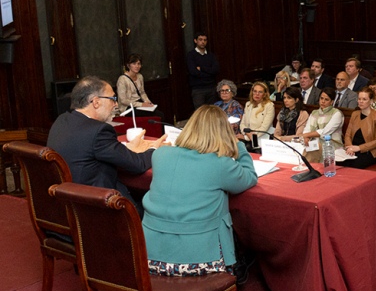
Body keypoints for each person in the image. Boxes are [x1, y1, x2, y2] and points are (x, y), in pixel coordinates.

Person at [143, 105, 257, 277]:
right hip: (198, 259)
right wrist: (238, 146)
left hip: (148, 255)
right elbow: (249, 177)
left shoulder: (160, 154)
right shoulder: (220, 163)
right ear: (223, 133)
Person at [48, 76, 164, 214]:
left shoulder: (62, 120)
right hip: (98, 209)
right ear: (96, 102)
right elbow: (137, 164)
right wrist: (155, 148)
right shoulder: (98, 131)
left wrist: (126, 149)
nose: (115, 104)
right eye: (113, 99)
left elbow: (89, 150)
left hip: (66, 204)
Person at [341, 88, 376, 169]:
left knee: (354, 164)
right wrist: (349, 147)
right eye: (359, 99)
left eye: (364, 99)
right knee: (338, 162)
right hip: (353, 149)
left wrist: (359, 148)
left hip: (370, 151)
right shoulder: (355, 114)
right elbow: (348, 134)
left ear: (371, 101)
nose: (360, 101)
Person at [187, 32, 220, 109]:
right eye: (200, 39)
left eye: (205, 40)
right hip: (198, 89)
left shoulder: (211, 55)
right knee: (200, 113)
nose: (203, 42)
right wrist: (209, 72)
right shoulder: (191, 55)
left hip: (211, 87)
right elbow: (194, 72)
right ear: (195, 41)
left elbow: (216, 70)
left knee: (212, 111)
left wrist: (202, 68)